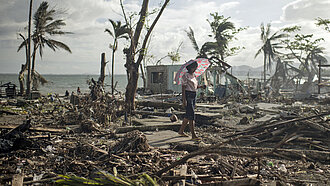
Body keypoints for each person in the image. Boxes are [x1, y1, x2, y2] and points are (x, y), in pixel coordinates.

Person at [178, 61, 206, 141]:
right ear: (190, 67)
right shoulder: (185, 76)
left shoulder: (194, 76)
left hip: (193, 95)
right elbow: (183, 88)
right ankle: (193, 134)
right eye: (194, 67)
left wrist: (201, 86)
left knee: (188, 115)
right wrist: (184, 100)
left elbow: (195, 86)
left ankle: (181, 131)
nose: (195, 69)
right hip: (188, 95)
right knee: (191, 115)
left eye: (195, 68)